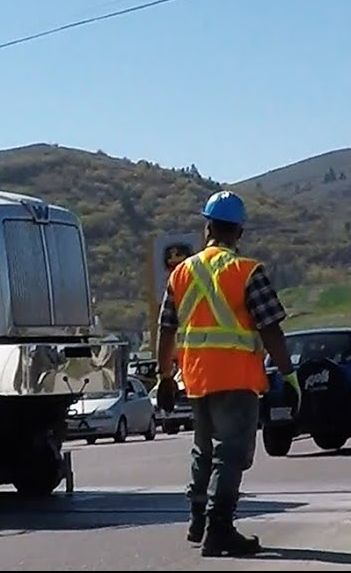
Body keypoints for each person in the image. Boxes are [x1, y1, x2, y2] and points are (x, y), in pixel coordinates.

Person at [155, 190, 301, 558]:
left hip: (196, 379)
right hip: (236, 378)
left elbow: (166, 329)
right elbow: (270, 328)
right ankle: (219, 530)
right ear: (239, 232)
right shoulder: (247, 271)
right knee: (230, 455)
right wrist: (289, 375)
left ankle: (198, 521)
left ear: (207, 228)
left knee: (203, 451)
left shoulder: (180, 273)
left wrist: (165, 376)